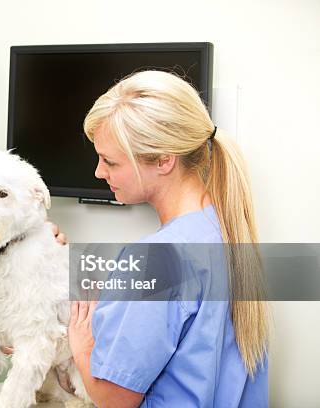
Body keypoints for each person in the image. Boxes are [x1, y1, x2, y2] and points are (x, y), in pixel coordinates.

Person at [67, 70, 269, 407]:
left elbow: (115, 399)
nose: (99, 172)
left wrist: (82, 343)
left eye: (109, 161)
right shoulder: (228, 229)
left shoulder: (153, 260)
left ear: (164, 160)